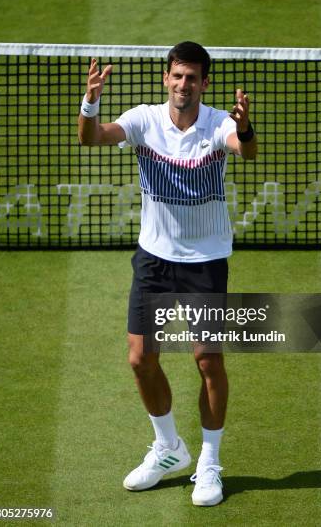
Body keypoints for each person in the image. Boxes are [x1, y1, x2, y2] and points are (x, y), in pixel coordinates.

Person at [78, 41, 257, 506]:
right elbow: (91, 138)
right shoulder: (143, 120)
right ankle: (168, 448)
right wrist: (90, 101)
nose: (183, 85)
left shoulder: (218, 124)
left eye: (192, 78)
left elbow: (246, 151)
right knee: (140, 359)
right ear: (166, 79)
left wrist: (245, 126)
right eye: (177, 76)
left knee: (207, 360)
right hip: (154, 259)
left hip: (205, 262)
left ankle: (209, 463)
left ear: (204, 83)